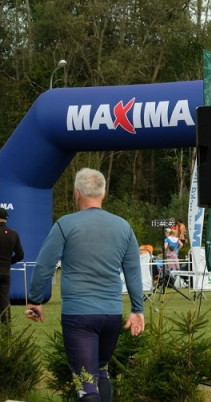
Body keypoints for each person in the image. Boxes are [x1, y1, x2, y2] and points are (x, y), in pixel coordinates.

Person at [26, 168, 144, 401]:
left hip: (79, 315)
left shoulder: (65, 224)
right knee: (101, 371)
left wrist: (35, 301)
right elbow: (133, 271)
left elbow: (44, 266)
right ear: (104, 193)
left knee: (85, 383)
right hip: (111, 314)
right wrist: (137, 309)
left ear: (76, 193)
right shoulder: (123, 226)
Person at [0, 207, 24, 324]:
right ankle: (7, 335)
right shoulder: (13, 234)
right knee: (4, 301)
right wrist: (8, 262)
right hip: (5, 272)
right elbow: (20, 255)